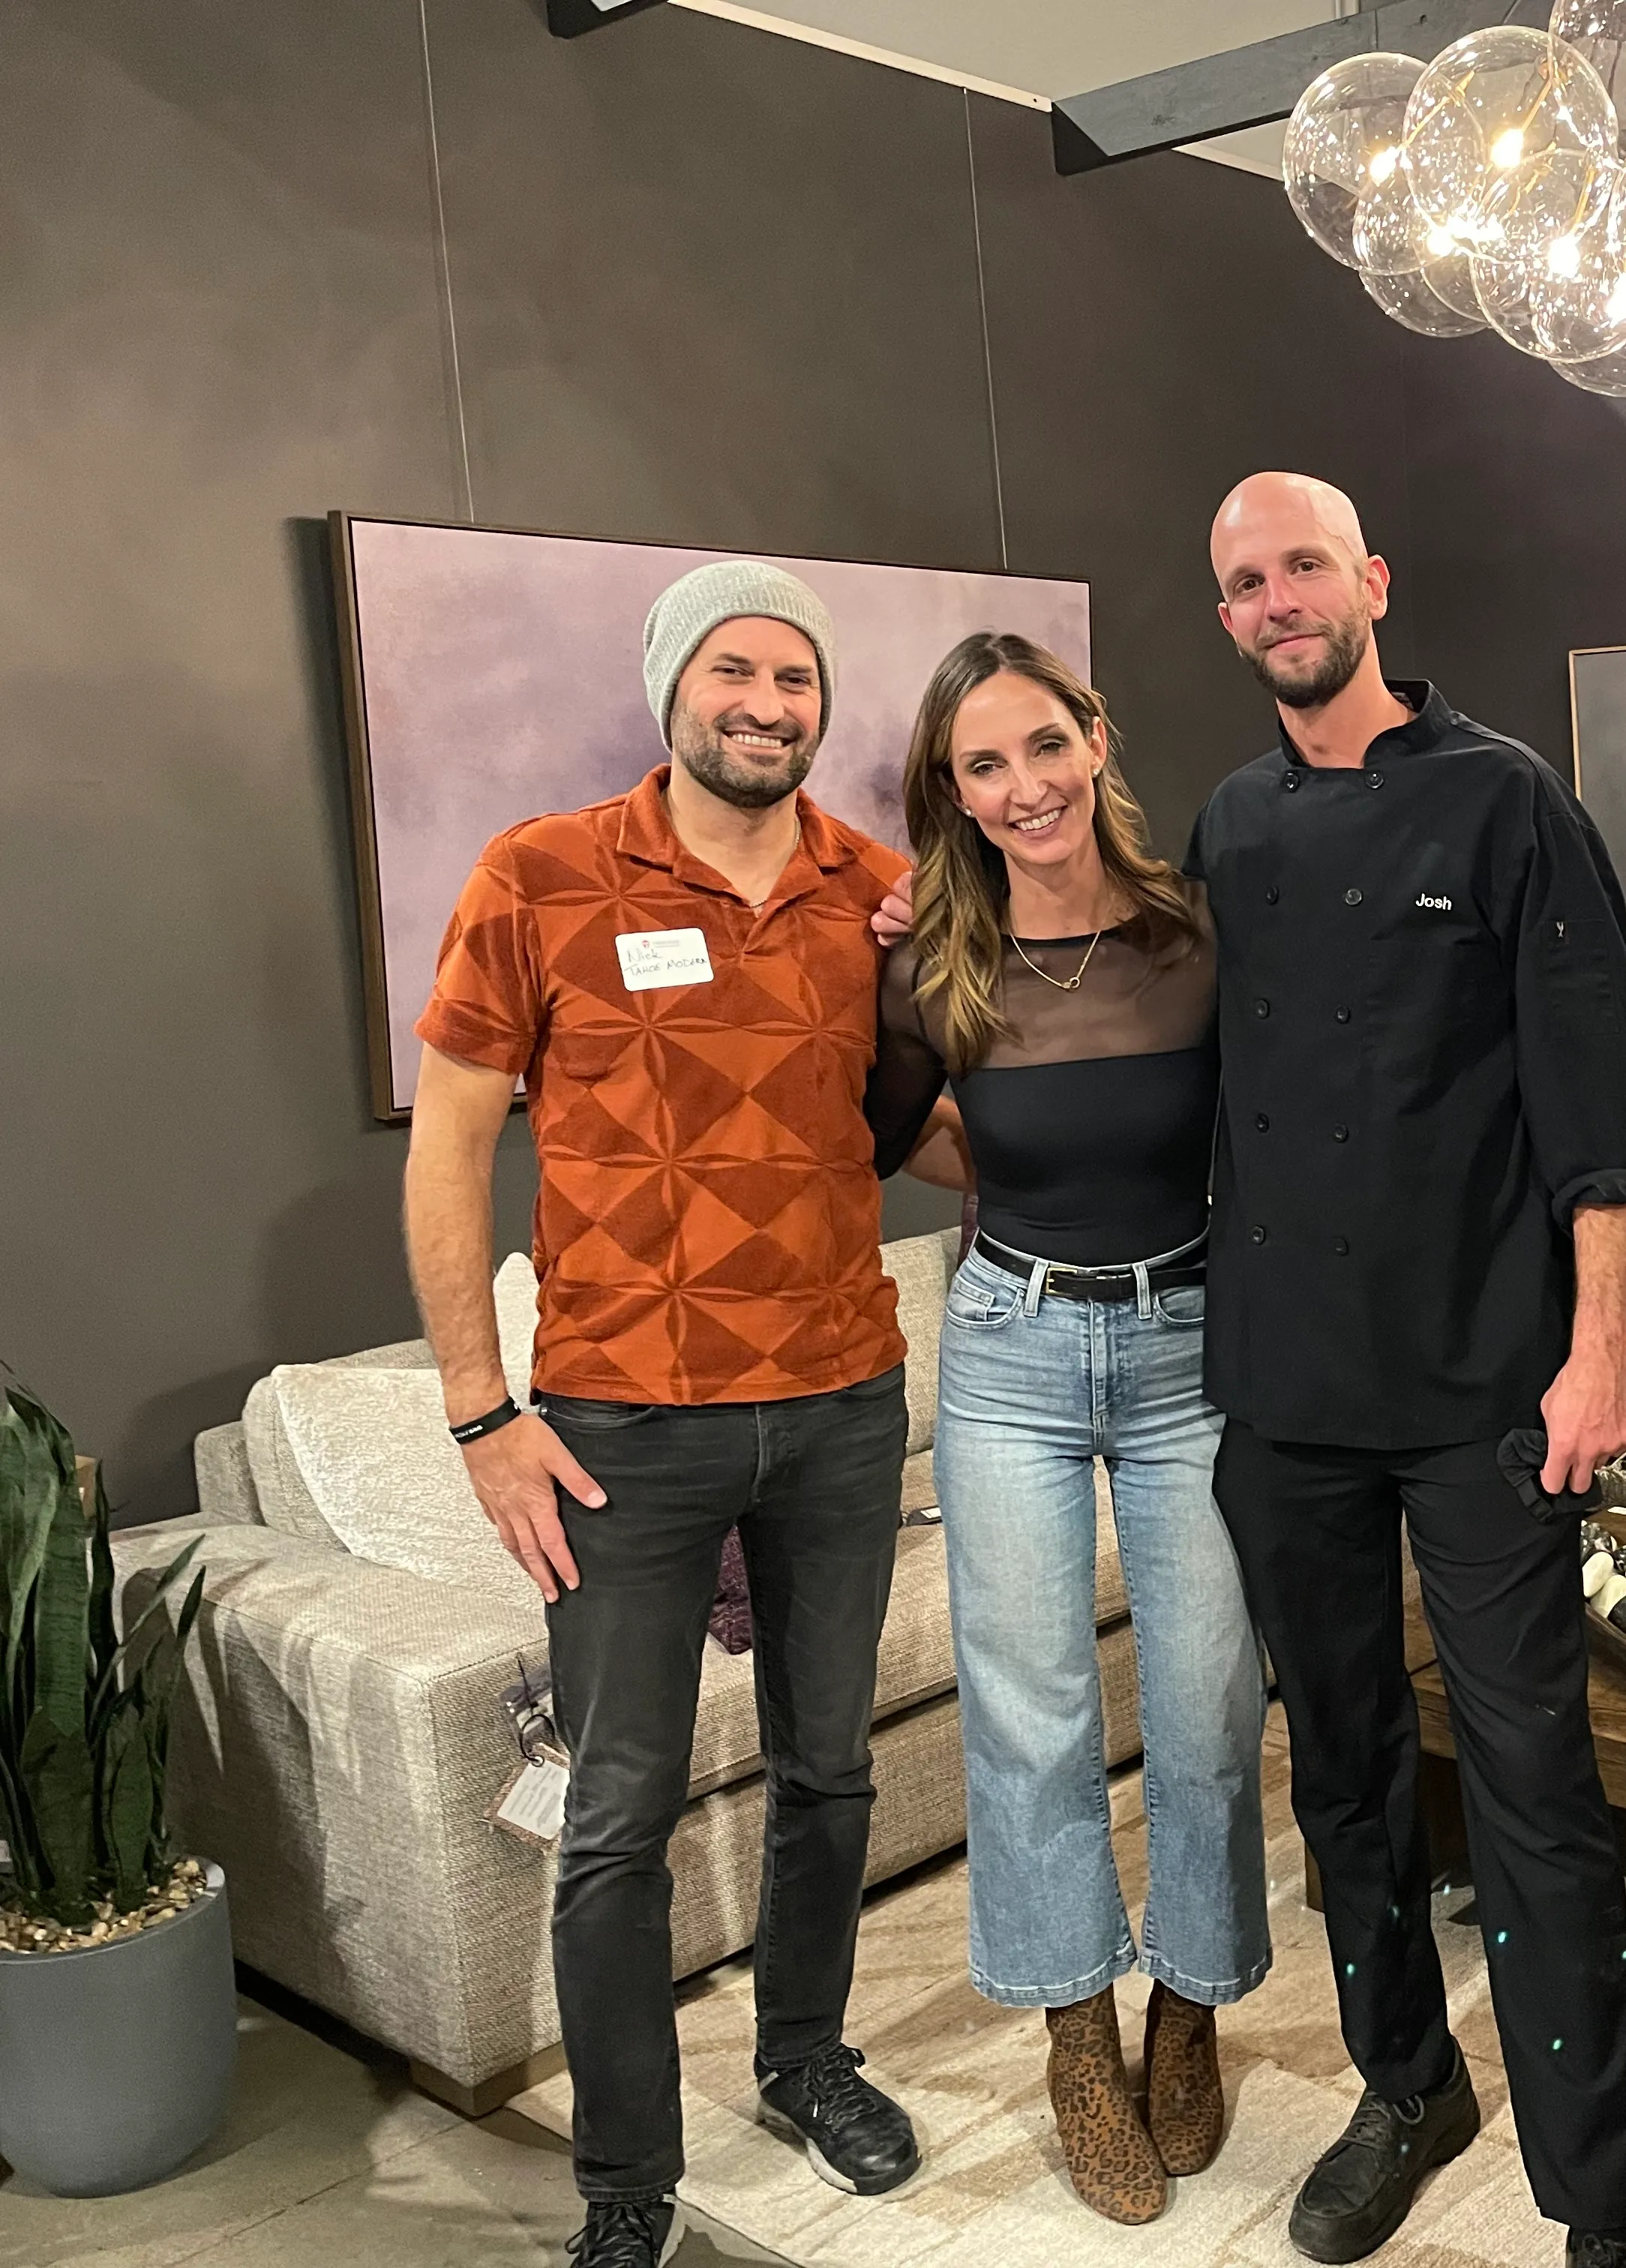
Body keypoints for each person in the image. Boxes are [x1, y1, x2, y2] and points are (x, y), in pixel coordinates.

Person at [406, 561, 922, 2268]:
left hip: (844, 1402)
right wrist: (483, 1417)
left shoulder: (880, 895)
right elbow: (450, 1145)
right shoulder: (542, 876)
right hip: (620, 1424)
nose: (768, 704)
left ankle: (805, 2060)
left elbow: (914, 1126)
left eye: (795, 679)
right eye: (734, 673)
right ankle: (628, 2183)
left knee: (828, 1773)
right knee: (617, 1814)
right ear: (669, 688)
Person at [1192, 473, 1626, 2268]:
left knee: (1537, 1794)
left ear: (1371, 580)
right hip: (1285, 1395)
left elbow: (1596, 1105)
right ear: (1228, 621)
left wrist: (1597, 1349)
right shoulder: (1229, 829)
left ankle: (1599, 2211)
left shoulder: (1510, 803)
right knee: (1343, 1777)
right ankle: (1407, 2084)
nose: (1277, 598)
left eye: (1302, 563)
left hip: (1487, 1392)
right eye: (1244, 583)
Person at [863, 633, 1268, 2228]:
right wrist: (1028, 1206)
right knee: (1028, 1718)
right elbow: (893, 1132)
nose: (1022, 788)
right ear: (951, 792)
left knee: (1210, 1704)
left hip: (1192, 1346)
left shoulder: (1198, 937)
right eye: (983, 766)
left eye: (1042, 746)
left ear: (1094, 738)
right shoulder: (928, 965)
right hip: (1010, 1353)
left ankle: (1191, 2003)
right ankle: (1078, 2039)